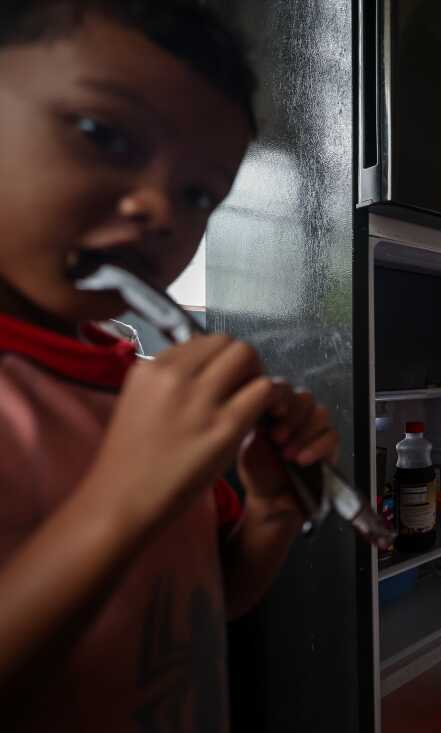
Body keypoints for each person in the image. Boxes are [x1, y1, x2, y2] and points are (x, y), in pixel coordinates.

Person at [0, 2, 339, 730]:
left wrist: (271, 511)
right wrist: (122, 496)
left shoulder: (141, 390)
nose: (161, 210)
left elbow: (205, 599)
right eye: (102, 133)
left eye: (198, 196)